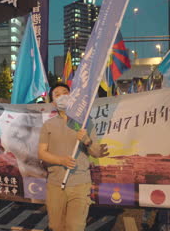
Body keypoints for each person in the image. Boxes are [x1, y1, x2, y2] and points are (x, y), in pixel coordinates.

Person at [38, 83, 102, 231]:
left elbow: (96, 152)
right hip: (55, 184)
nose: (62, 97)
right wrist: (61, 160)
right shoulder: (48, 125)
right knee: (56, 226)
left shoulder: (85, 122)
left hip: (80, 184)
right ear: (53, 102)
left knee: (75, 227)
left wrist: (86, 139)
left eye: (65, 93)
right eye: (57, 94)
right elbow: (41, 153)